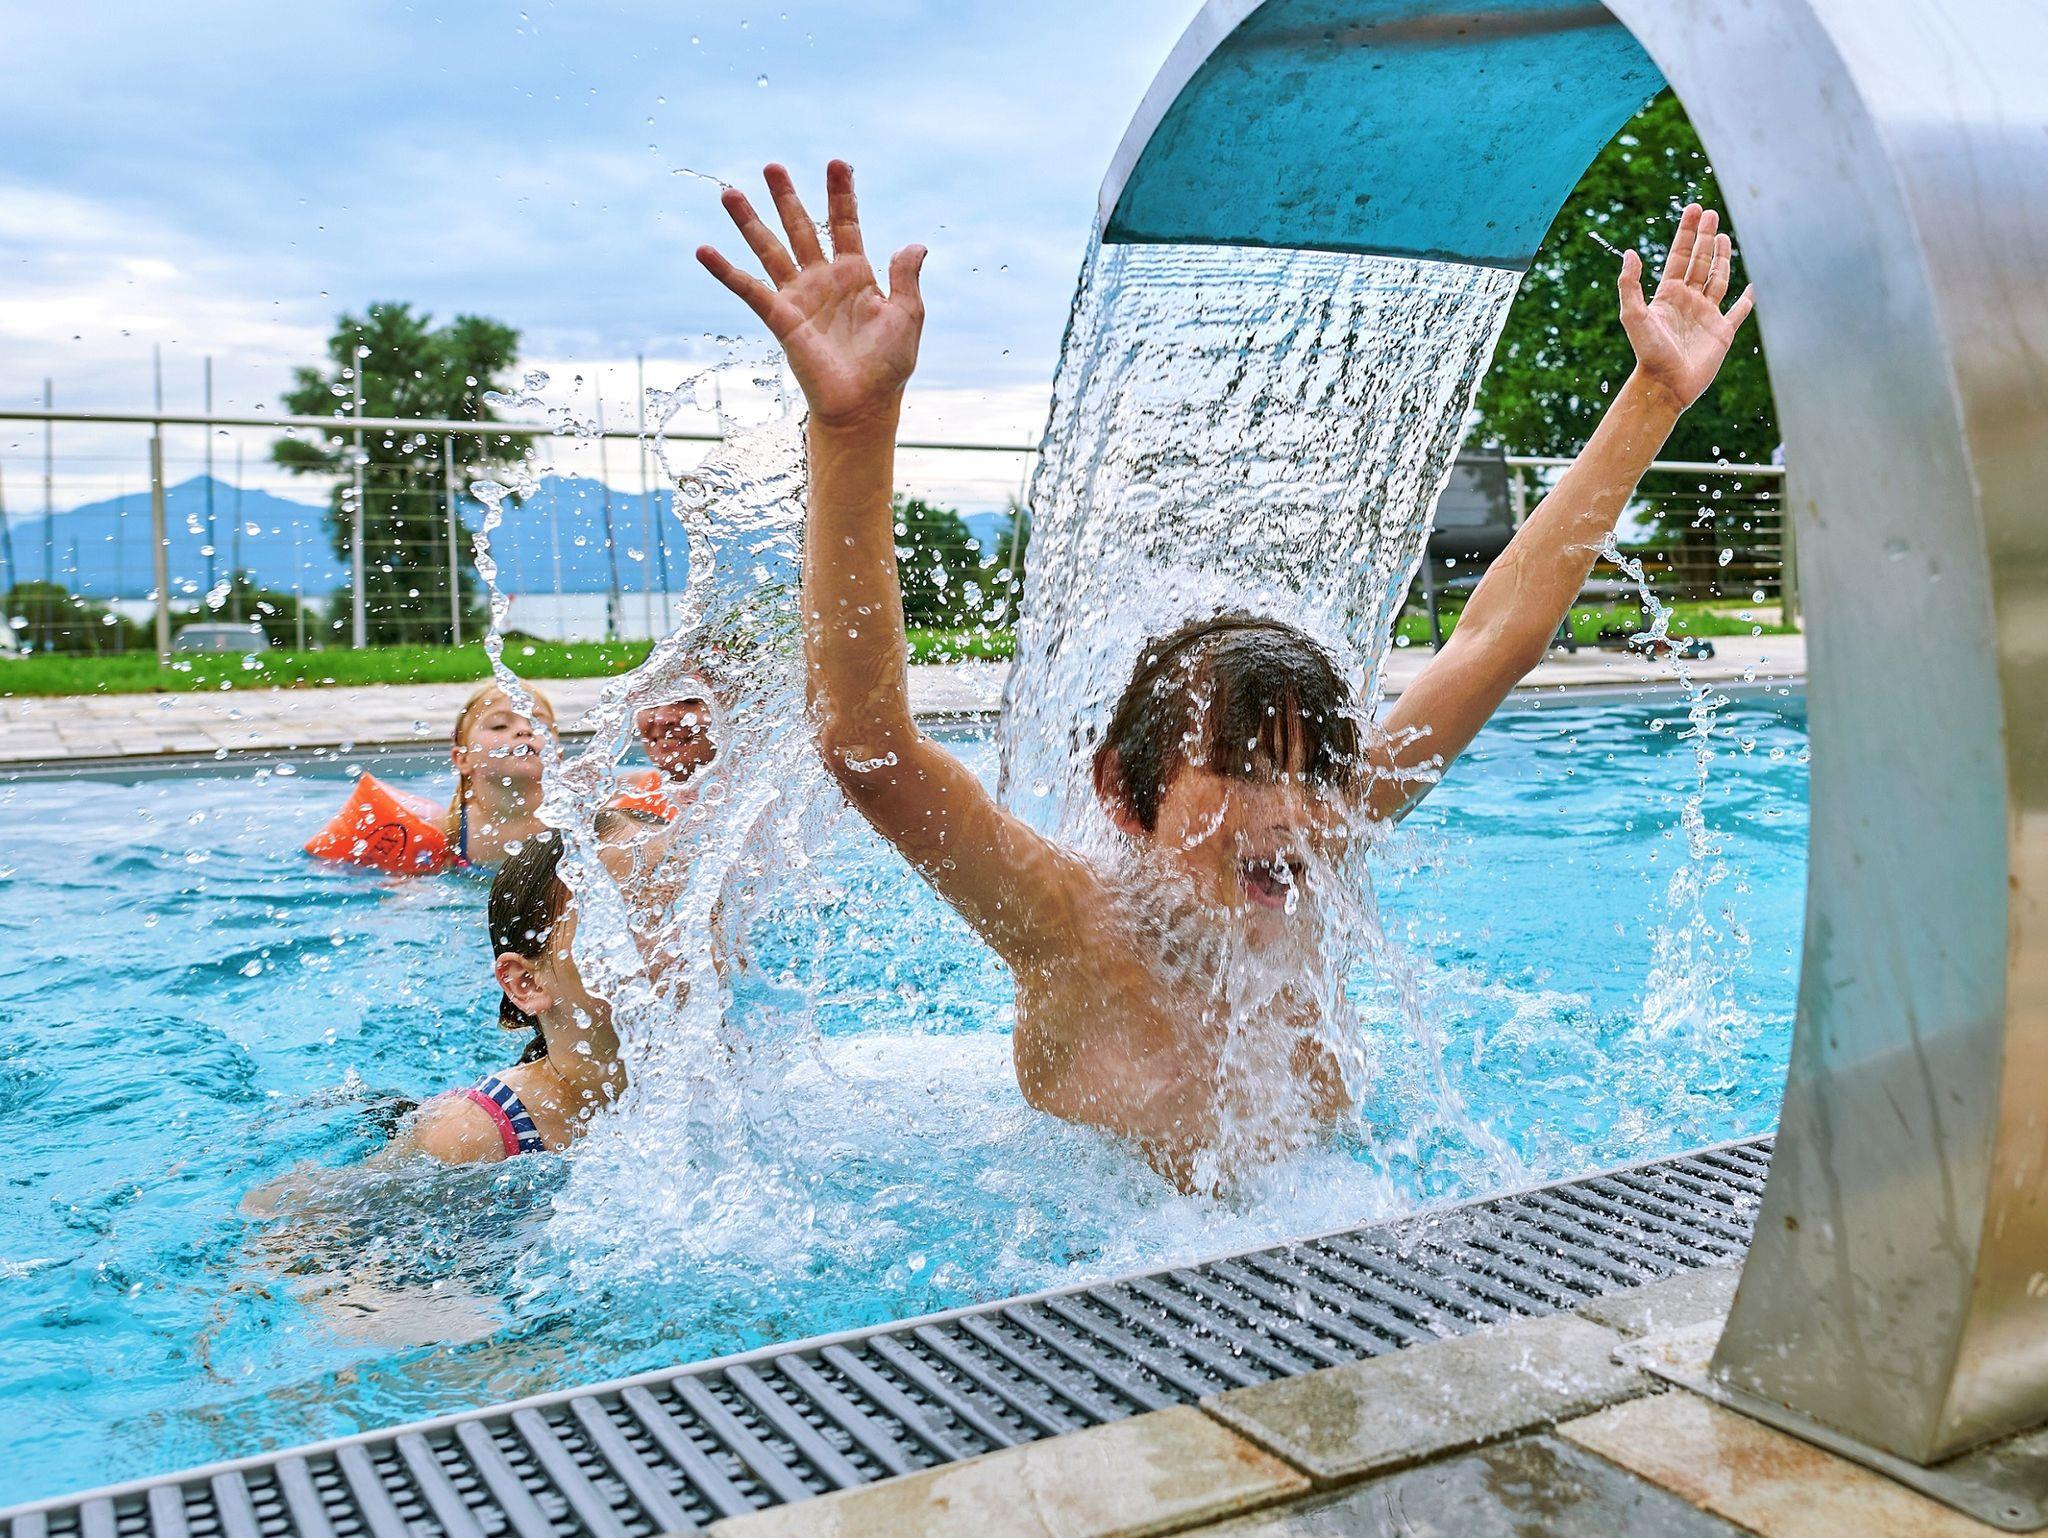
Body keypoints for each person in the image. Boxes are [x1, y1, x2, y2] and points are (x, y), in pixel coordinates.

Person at [697, 162, 1756, 1190]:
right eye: (1242, 769)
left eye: (1311, 771)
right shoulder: (1064, 920)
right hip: (1096, 1250)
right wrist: (854, 428)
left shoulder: (1323, 837)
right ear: (1123, 792)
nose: (1289, 811)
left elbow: (1492, 641)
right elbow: (870, 753)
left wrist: (1654, 396)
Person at [392, 826, 624, 1162]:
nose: (672, 938)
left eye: (676, 905)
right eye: (620, 919)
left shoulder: (704, 1082)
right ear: (527, 983)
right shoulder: (471, 1134)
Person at [304, 683, 557, 875]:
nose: (524, 730)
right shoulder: (445, 836)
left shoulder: (573, 825)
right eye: (500, 726)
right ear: (463, 759)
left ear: (559, 754)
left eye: (538, 724)